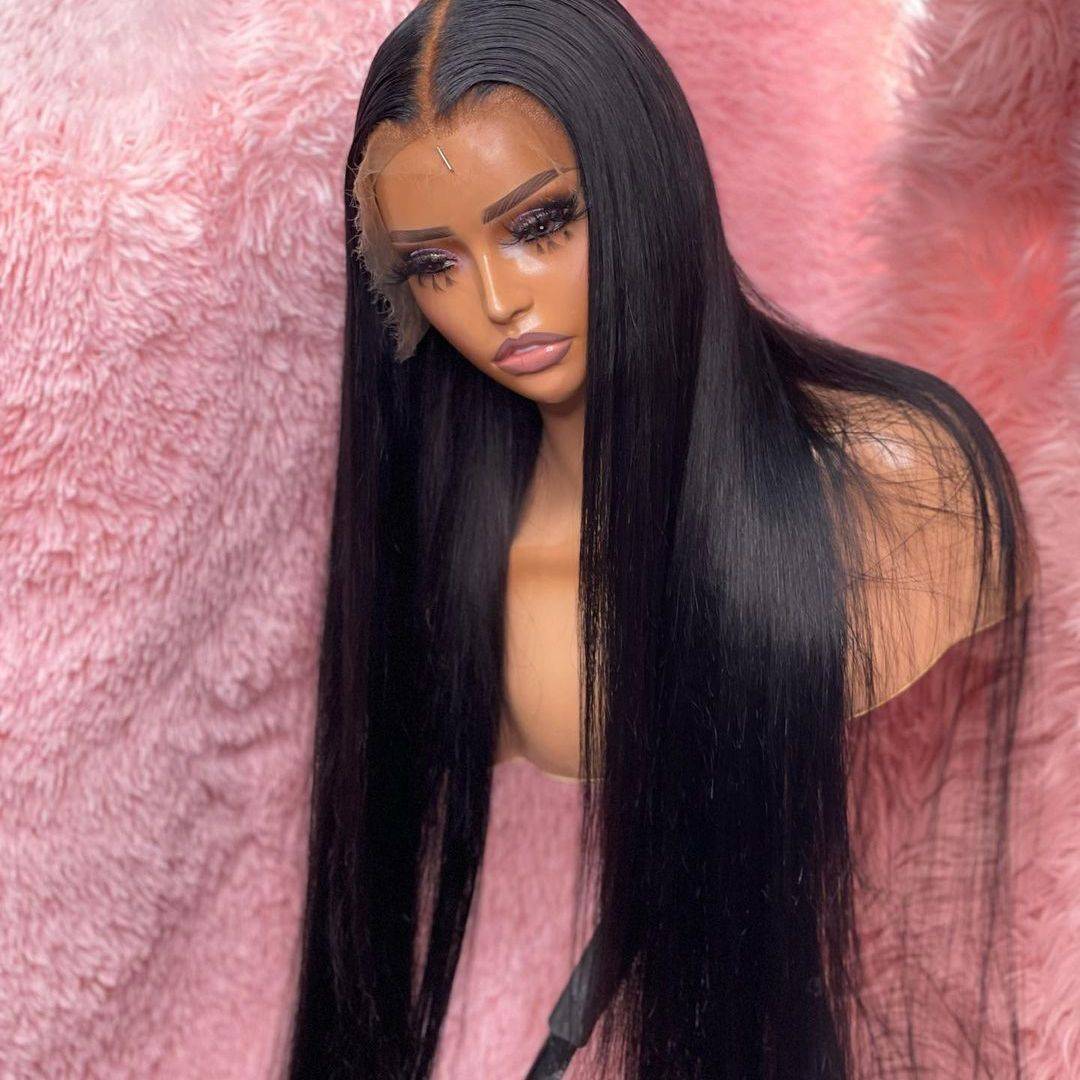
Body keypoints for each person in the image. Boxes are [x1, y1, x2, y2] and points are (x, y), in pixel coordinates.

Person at [287, 1, 1039, 1077]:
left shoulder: (913, 489)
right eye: (434, 265)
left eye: (540, 224)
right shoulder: (469, 603)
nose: (497, 302)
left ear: (646, 183)